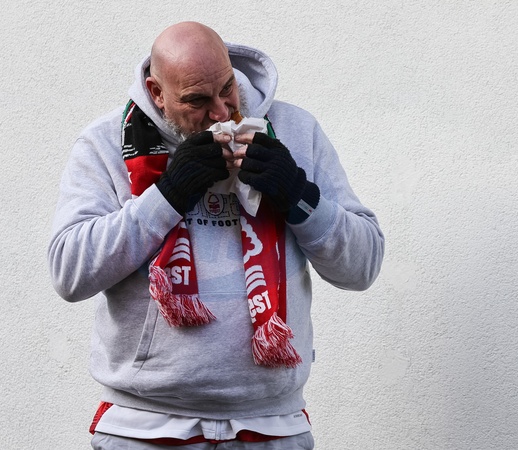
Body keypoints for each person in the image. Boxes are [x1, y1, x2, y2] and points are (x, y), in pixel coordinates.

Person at [48, 21, 384, 450]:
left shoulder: (297, 130)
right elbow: (70, 272)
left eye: (227, 89)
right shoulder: (105, 143)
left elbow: (362, 266)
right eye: (197, 100)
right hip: (144, 427)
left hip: (272, 425)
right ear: (157, 92)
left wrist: (299, 196)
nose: (222, 113)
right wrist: (167, 196)